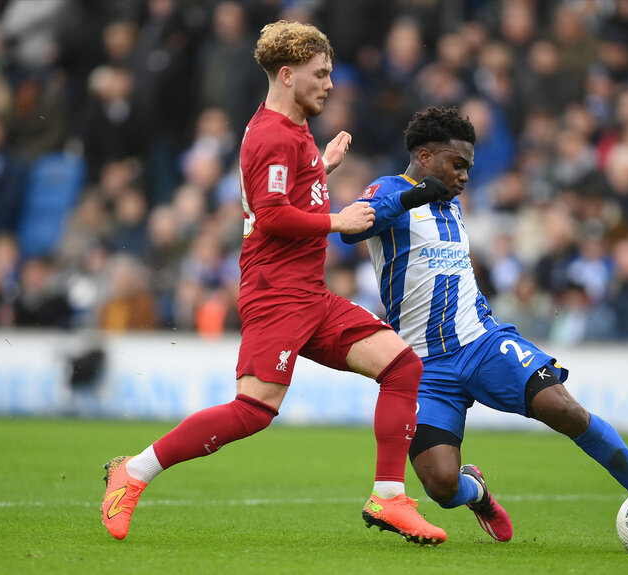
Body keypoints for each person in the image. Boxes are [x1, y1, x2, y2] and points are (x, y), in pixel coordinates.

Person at [101, 21, 446, 546]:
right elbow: (271, 217)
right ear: (287, 75)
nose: (330, 84)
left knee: (401, 366)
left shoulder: (294, 128)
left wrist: (319, 170)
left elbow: (285, 197)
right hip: (276, 294)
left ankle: (390, 497)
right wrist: (339, 219)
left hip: (310, 293)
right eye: (321, 74)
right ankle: (134, 471)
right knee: (253, 411)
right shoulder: (272, 134)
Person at [341, 106, 628, 550]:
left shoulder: (450, 204)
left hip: (482, 344)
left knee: (567, 410)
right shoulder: (391, 190)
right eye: (457, 165)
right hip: (425, 367)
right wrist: (412, 195)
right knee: (441, 486)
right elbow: (352, 228)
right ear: (424, 155)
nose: (463, 177)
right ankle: (476, 490)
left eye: (469, 169)